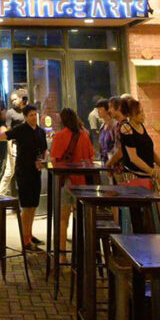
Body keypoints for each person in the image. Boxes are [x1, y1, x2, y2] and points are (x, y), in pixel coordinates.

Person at [0, 103, 47, 251]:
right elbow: (5, 135)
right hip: (23, 171)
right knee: (27, 206)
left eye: (35, 114)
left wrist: (43, 161)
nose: (34, 117)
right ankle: (25, 239)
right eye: (31, 115)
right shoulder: (21, 130)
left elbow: (44, 150)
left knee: (34, 206)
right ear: (25, 117)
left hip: (36, 171)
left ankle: (29, 233)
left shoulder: (40, 131)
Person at [50, 108, 95, 263]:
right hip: (81, 182)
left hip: (65, 181)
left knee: (63, 219)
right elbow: (90, 158)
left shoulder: (59, 135)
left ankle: (62, 254)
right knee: (80, 219)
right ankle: (81, 253)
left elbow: (55, 160)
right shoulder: (84, 135)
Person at [118, 95, 160, 189]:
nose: (143, 115)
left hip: (147, 176)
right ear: (131, 115)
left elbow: (150, 151)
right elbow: (133, 158)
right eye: (139, 113)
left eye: (142, 112)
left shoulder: (141, 126)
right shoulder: (126, 128)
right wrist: (154, 173)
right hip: (135, 177)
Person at [0, 92, 26, 196]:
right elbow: (8, 132)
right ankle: (0, 196)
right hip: (14, 145)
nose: (13, 102)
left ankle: (23, 196)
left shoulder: (26, 111)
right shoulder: (10, 113)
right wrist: (10, 148)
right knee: (10, 171)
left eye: (15, 99)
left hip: (25, 145)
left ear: (20, 98)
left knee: (23, 171)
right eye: (12, 100)